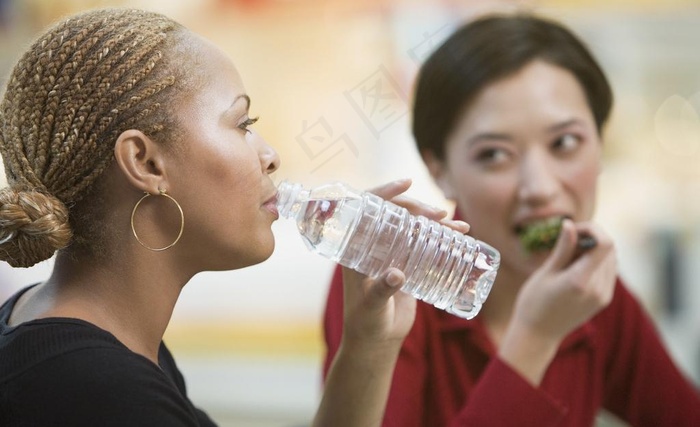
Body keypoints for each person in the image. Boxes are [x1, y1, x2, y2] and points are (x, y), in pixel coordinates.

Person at [0, 8, 469, 426]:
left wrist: (370, 338)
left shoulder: (67, 337)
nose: (271, 156)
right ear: (145, 163)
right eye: (243, 124)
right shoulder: (97, 390)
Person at [323, 13, 700, 427]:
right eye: (494, 154)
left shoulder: (595, 298)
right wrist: (535, 337)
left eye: (566, 142)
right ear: (438, 169)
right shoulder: (385, 292)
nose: (538, 187)